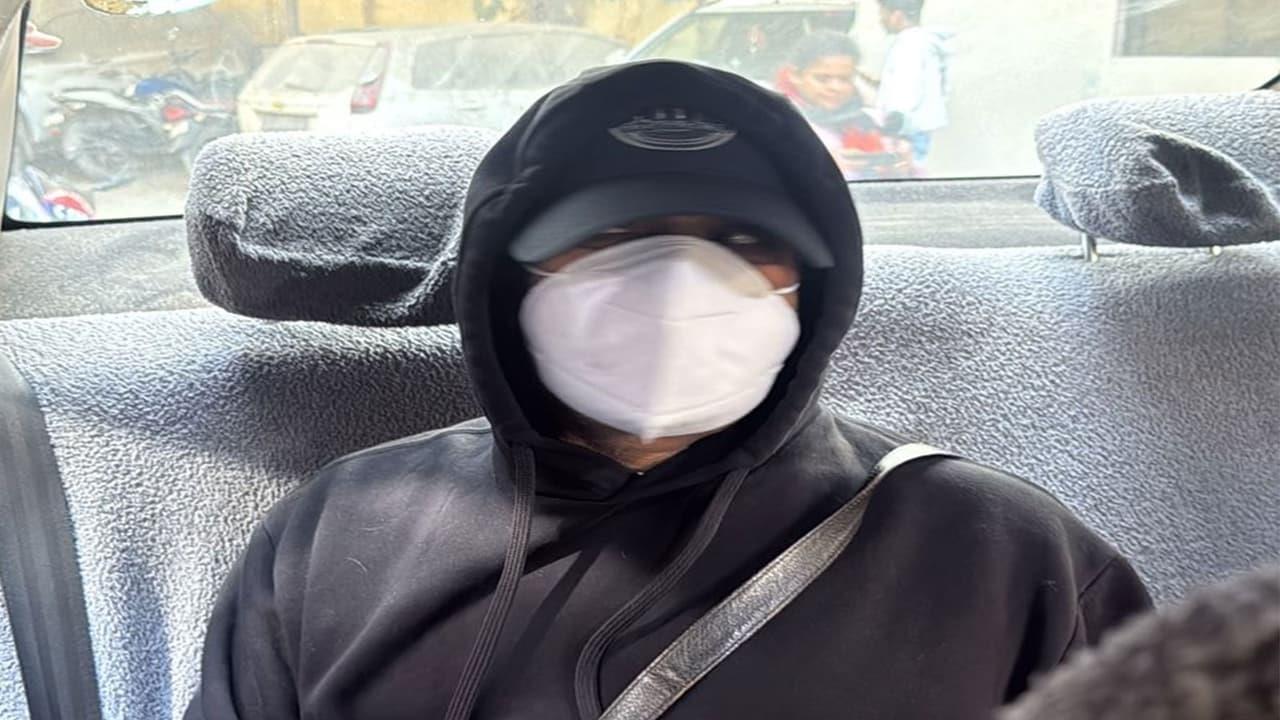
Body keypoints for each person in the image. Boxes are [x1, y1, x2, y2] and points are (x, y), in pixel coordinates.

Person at [185, 61, 1152, 720]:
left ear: (810, 289)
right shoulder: (336, 532)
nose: (678, 284)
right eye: (609, 238)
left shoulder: (1004, 553)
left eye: (741, 244)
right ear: (505, 284)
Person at [776, 30, 908, 179]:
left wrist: (902, 169)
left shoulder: (870, 122)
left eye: (845, 79)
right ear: (795, 75)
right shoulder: (774, 123)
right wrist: (819, 167)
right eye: (822, 79)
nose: (836, 87)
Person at [876, 0, 950, 164]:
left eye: (882, 15)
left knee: (909, 171)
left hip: (906, 130)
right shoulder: (922, 41)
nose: (881, 20)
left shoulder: (909, 45)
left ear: (897, 16)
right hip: (916, 128)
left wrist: (892, 126)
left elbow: (907, 87)